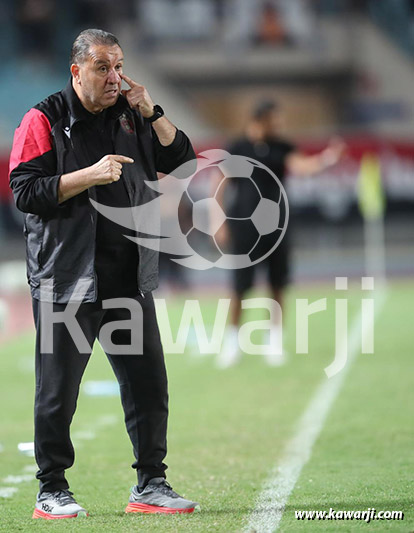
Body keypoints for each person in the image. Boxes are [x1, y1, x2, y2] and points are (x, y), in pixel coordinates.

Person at [9, 28, 199, 519]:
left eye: (119, 66)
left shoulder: (132, 117)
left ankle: (151, 484)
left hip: (127, 278)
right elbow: (24, 192)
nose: (115, 77)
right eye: (102, 67)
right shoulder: (43, 118)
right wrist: (87, 176)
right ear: (76, 70)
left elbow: (182, 161)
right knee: (57, 393)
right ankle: (51, 490)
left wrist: (151, 109)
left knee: (148, 385)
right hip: (67, 280)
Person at [216, 99, 345, 368]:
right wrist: (218, 221)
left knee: (278, 285)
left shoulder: (282, 146)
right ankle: (231, 344)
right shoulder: (238, 147)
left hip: (276, 226)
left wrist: (327, 159)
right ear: (260, 119)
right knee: (240, 287)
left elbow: (302, 166)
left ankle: (273, 342)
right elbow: (220, 182)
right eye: (274, 119)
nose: (279, 124)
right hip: (244, 227)